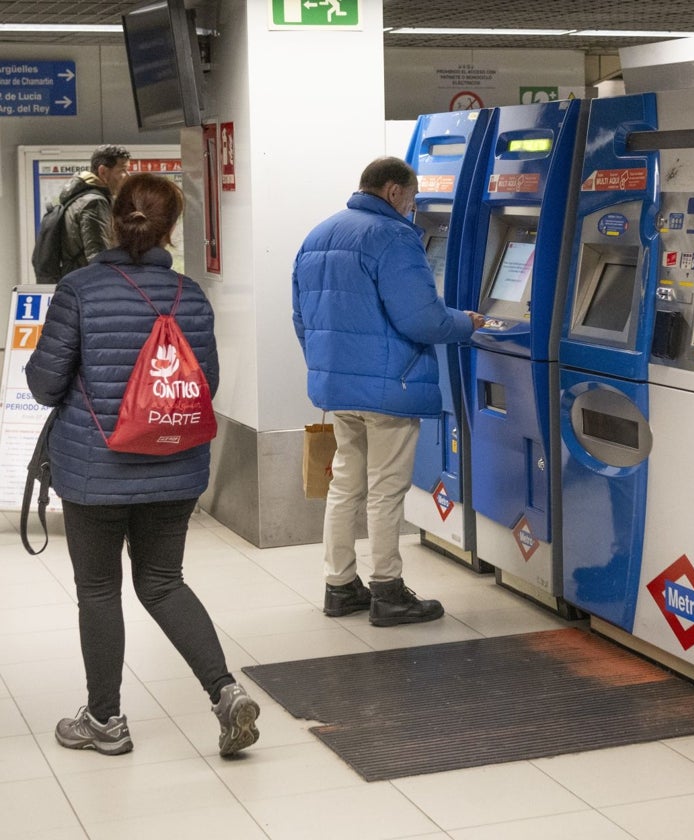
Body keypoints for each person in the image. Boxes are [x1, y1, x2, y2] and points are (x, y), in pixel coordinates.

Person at [25, 173, 260, 758]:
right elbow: (204, 387)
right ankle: (225, 691)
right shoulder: (190, 295)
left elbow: (46, 384)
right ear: (171, 228)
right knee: (162, 581)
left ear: (111, 220)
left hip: (94, 470)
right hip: (174, 465)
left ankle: (105, 721)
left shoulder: (78, 290)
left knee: (99, 590)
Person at [292, 156, 484, 626]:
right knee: (385, 490)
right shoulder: (394, 237)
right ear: (395, 191)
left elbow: (302, 318)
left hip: (338, 386)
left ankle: (339, 585)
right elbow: (421, 319)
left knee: (345, 485)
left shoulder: (318, 235)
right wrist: (467, 323)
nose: (413, 211)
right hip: (390, 387)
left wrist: (331, 366)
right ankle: (387, 590)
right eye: (413, 201)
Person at [55, 144, 131, 275]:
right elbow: (99, 257)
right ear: (103, 172)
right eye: (122, 170)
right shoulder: (95, 202)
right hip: (87, 286)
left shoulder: (79, 198)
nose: (127, 175)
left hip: (74, 280)